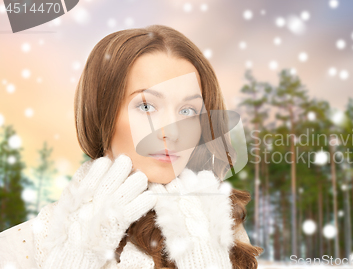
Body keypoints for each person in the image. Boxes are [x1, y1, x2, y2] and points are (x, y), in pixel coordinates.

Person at [0, 24, 263, 269]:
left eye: (187, 110)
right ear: (102, 112)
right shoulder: (21, 245)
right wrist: (76, 258)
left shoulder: (221, 227)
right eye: (146, 106)